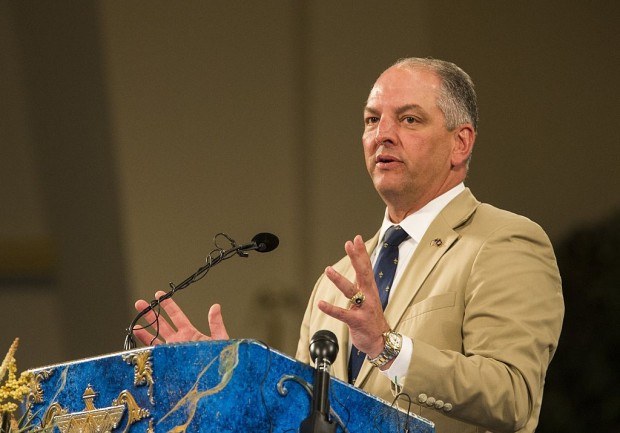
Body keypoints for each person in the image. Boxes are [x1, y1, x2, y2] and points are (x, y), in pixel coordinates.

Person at [134, 57, 564, 433]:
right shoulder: (335, 285)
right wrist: (228, 385)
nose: (383, 135)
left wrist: (388, 347)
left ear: (460, 142)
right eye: (372, 119)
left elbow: (512, 396)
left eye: (410, 119)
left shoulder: (503, 241)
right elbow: (301, 418)